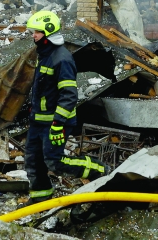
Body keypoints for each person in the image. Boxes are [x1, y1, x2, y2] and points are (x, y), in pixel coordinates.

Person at [23, 10, 106, 202]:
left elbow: (69, 96)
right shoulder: (44, 54)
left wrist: (57, 123)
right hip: (38, 122)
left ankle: (99, 169)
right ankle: (40, 199)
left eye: (37, 32)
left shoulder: (62, 59)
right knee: (33, 162)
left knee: (55, 162)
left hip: (55, 123)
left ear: (48, 32)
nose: (33, 36)